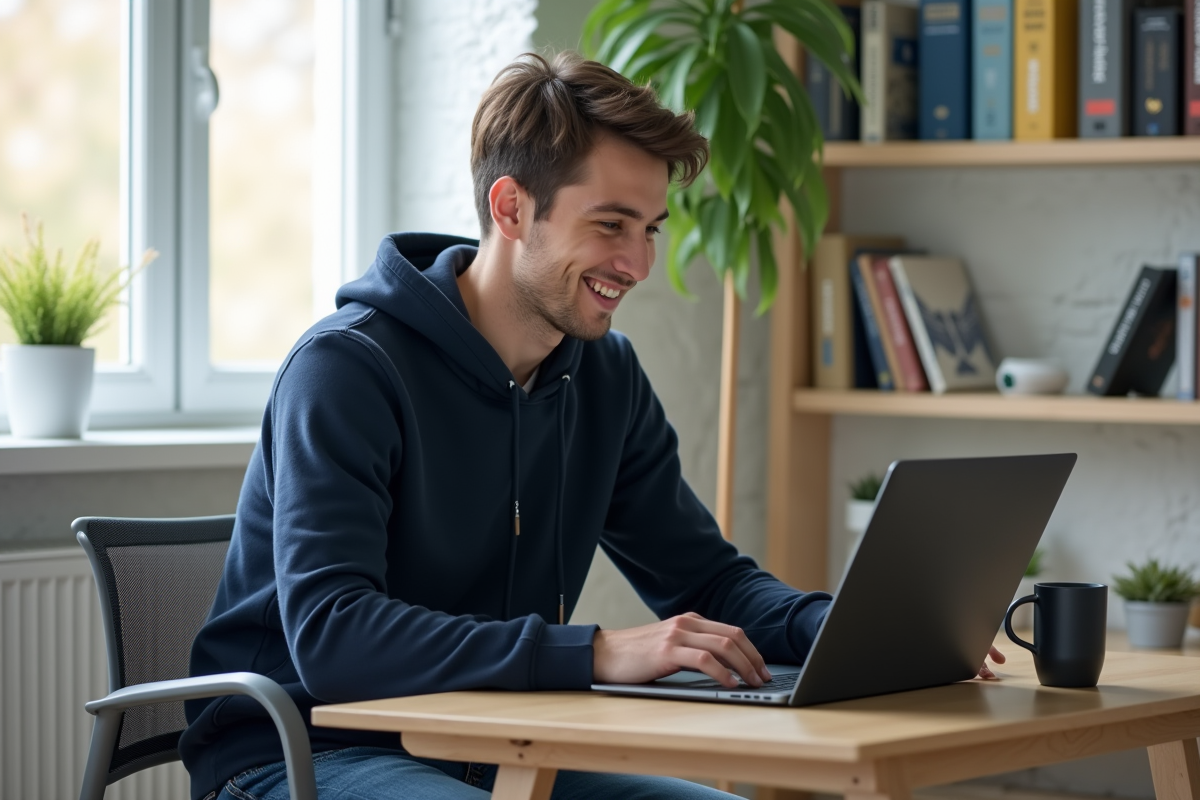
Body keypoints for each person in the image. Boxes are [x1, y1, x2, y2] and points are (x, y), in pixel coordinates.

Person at [181, 52, 1003, 800]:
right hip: (302, 751)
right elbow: (334, 637)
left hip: (498, 746)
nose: (639, 265)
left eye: (650, 230)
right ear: (511, 208)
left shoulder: (603, 376)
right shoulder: (349, 369)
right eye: (610, 225)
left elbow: (706, 582)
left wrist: (849, 631)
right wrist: (599, 653)